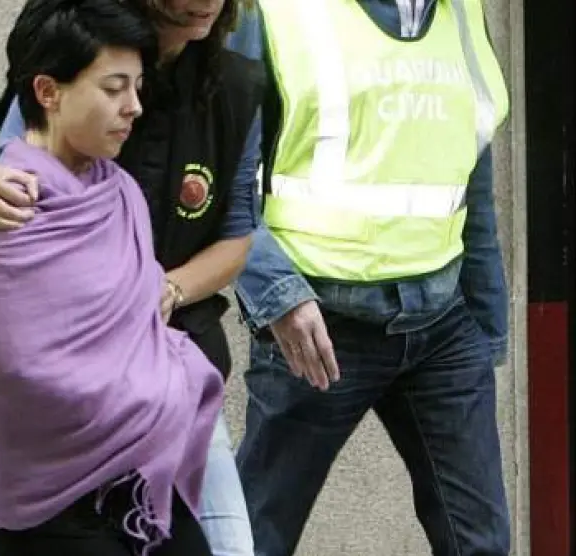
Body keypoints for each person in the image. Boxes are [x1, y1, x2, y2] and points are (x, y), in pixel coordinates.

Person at [0, 1, 265, 554]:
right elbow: (12, 168)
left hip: (160, 393)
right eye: (116, 88)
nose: (132, 107)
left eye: (137, 87)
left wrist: (161, 297)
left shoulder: (230, 90)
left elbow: (241, 233)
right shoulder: (77, 41)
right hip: (53, 450)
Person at [232, 1, 512, 555]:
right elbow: (226, 180)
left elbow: (470, 176)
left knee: (481, 544)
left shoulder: (461, 12)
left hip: (442, 324)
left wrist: (486, 327)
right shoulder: (279, 12)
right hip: (320, 324)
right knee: (253, 540)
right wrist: (277, 296)